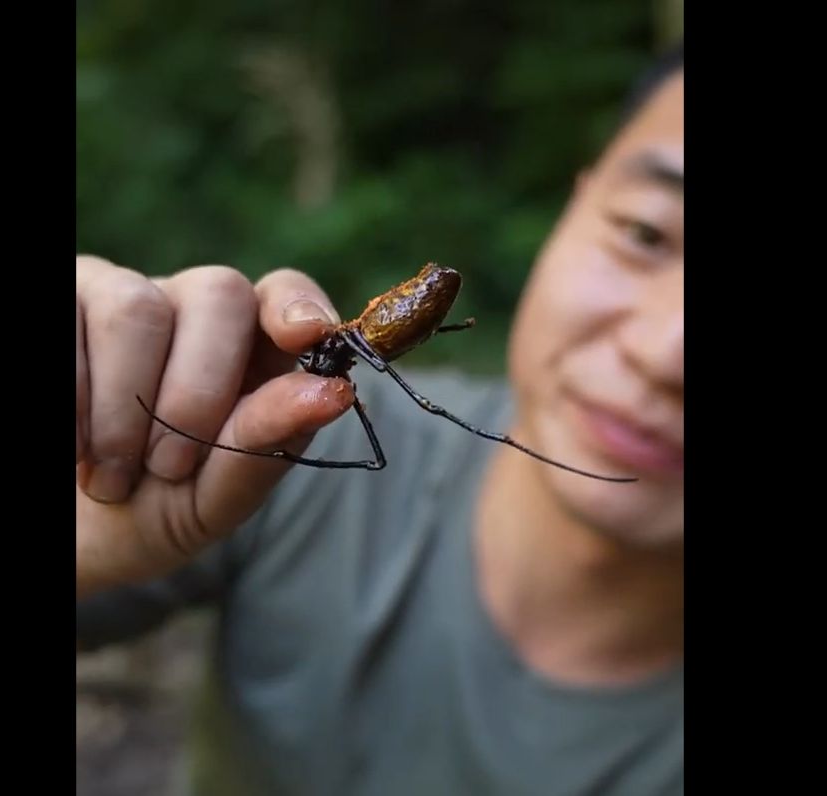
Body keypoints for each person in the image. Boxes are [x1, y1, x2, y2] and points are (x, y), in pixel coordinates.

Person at [77, 42, 684, 796]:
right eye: (648, 233)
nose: (667, 353)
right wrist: (93, 537)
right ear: (578, 201)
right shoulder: (274, 461)